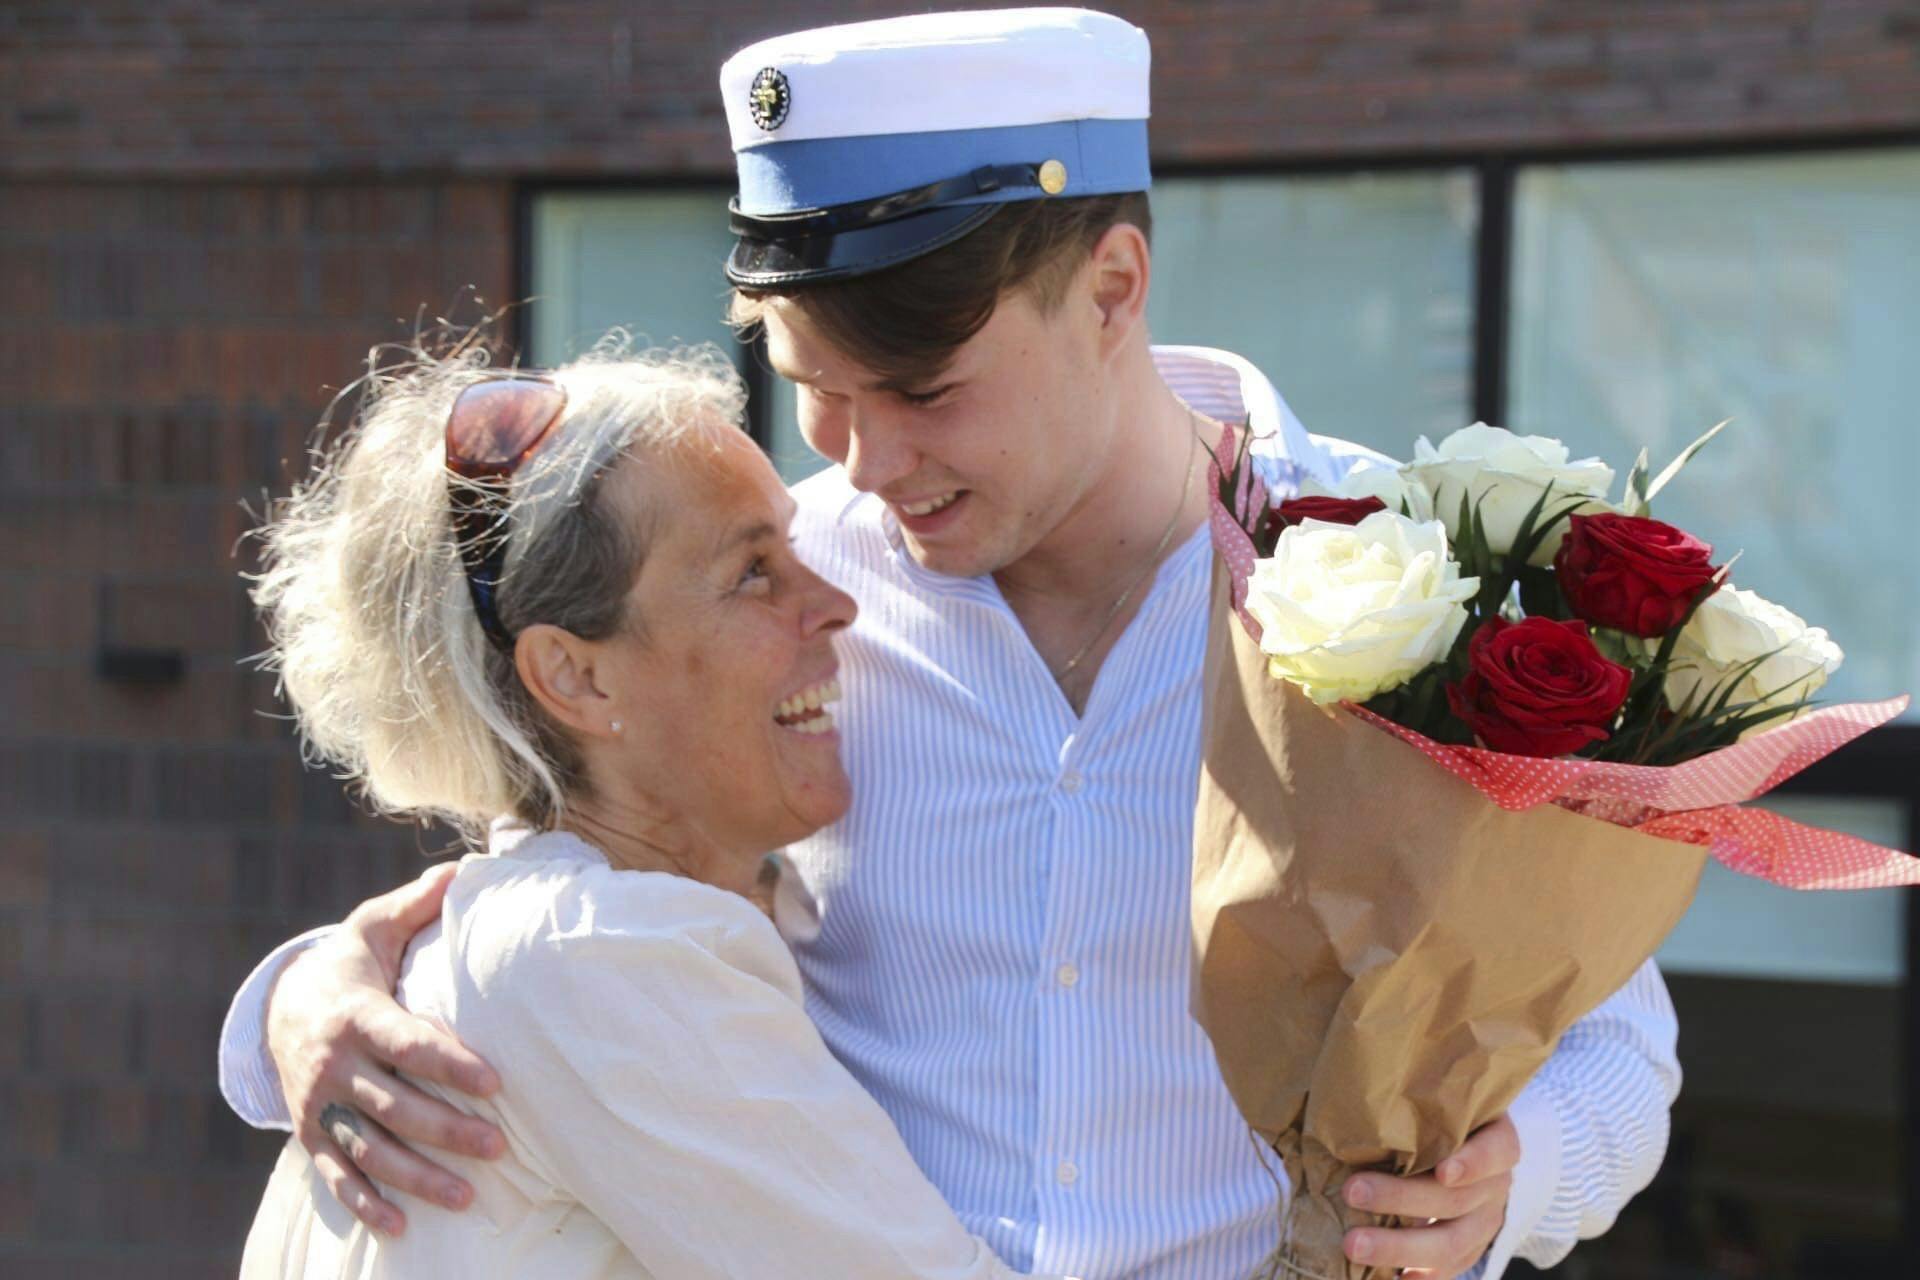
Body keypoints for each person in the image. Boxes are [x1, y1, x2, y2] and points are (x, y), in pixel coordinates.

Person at [221, 11, 1681, 1279]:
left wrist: (1518, 1177)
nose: (863, 462)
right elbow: (555, 892)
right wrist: (307, 997)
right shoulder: (771, 605)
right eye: (813, 388)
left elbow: (1622, 1052)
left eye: (923, 388)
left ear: (1112, 286)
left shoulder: (1416, 590)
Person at [235, 340, 1057, 1278]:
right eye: (753, 572)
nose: (836, 604)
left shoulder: (531, 943)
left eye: (793, 549)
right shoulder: (602, 957)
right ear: (575, 677)